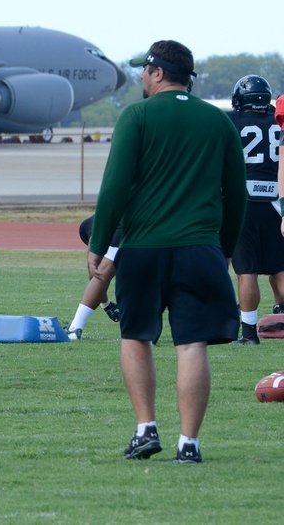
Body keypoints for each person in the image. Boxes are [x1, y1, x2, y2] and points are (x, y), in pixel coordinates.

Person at [89, 40, 246, 465]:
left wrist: (99, 244)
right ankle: (189, 443)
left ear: (158, 72)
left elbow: (115, 187)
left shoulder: (136, 116)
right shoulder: (219, 121)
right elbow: (237, 194)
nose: (141, 76)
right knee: (192, 344)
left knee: (136, 335)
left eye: (145, 70)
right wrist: (224, 249)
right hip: (201, 248)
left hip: (143, 248)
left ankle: (145, 429)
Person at [226, 75, 284, 344]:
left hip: (244, 200)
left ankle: (249, 333)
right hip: (275, 199)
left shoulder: (231, 120)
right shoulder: (277, 119)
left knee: (246, 270)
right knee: (280, 268)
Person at [66, 215, 121, 340]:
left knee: (102, 272)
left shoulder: (96, 225)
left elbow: (95, 276)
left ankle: (75, 328)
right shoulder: (99, 225)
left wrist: (106, 305)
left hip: (133, 226)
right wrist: (106, 305)